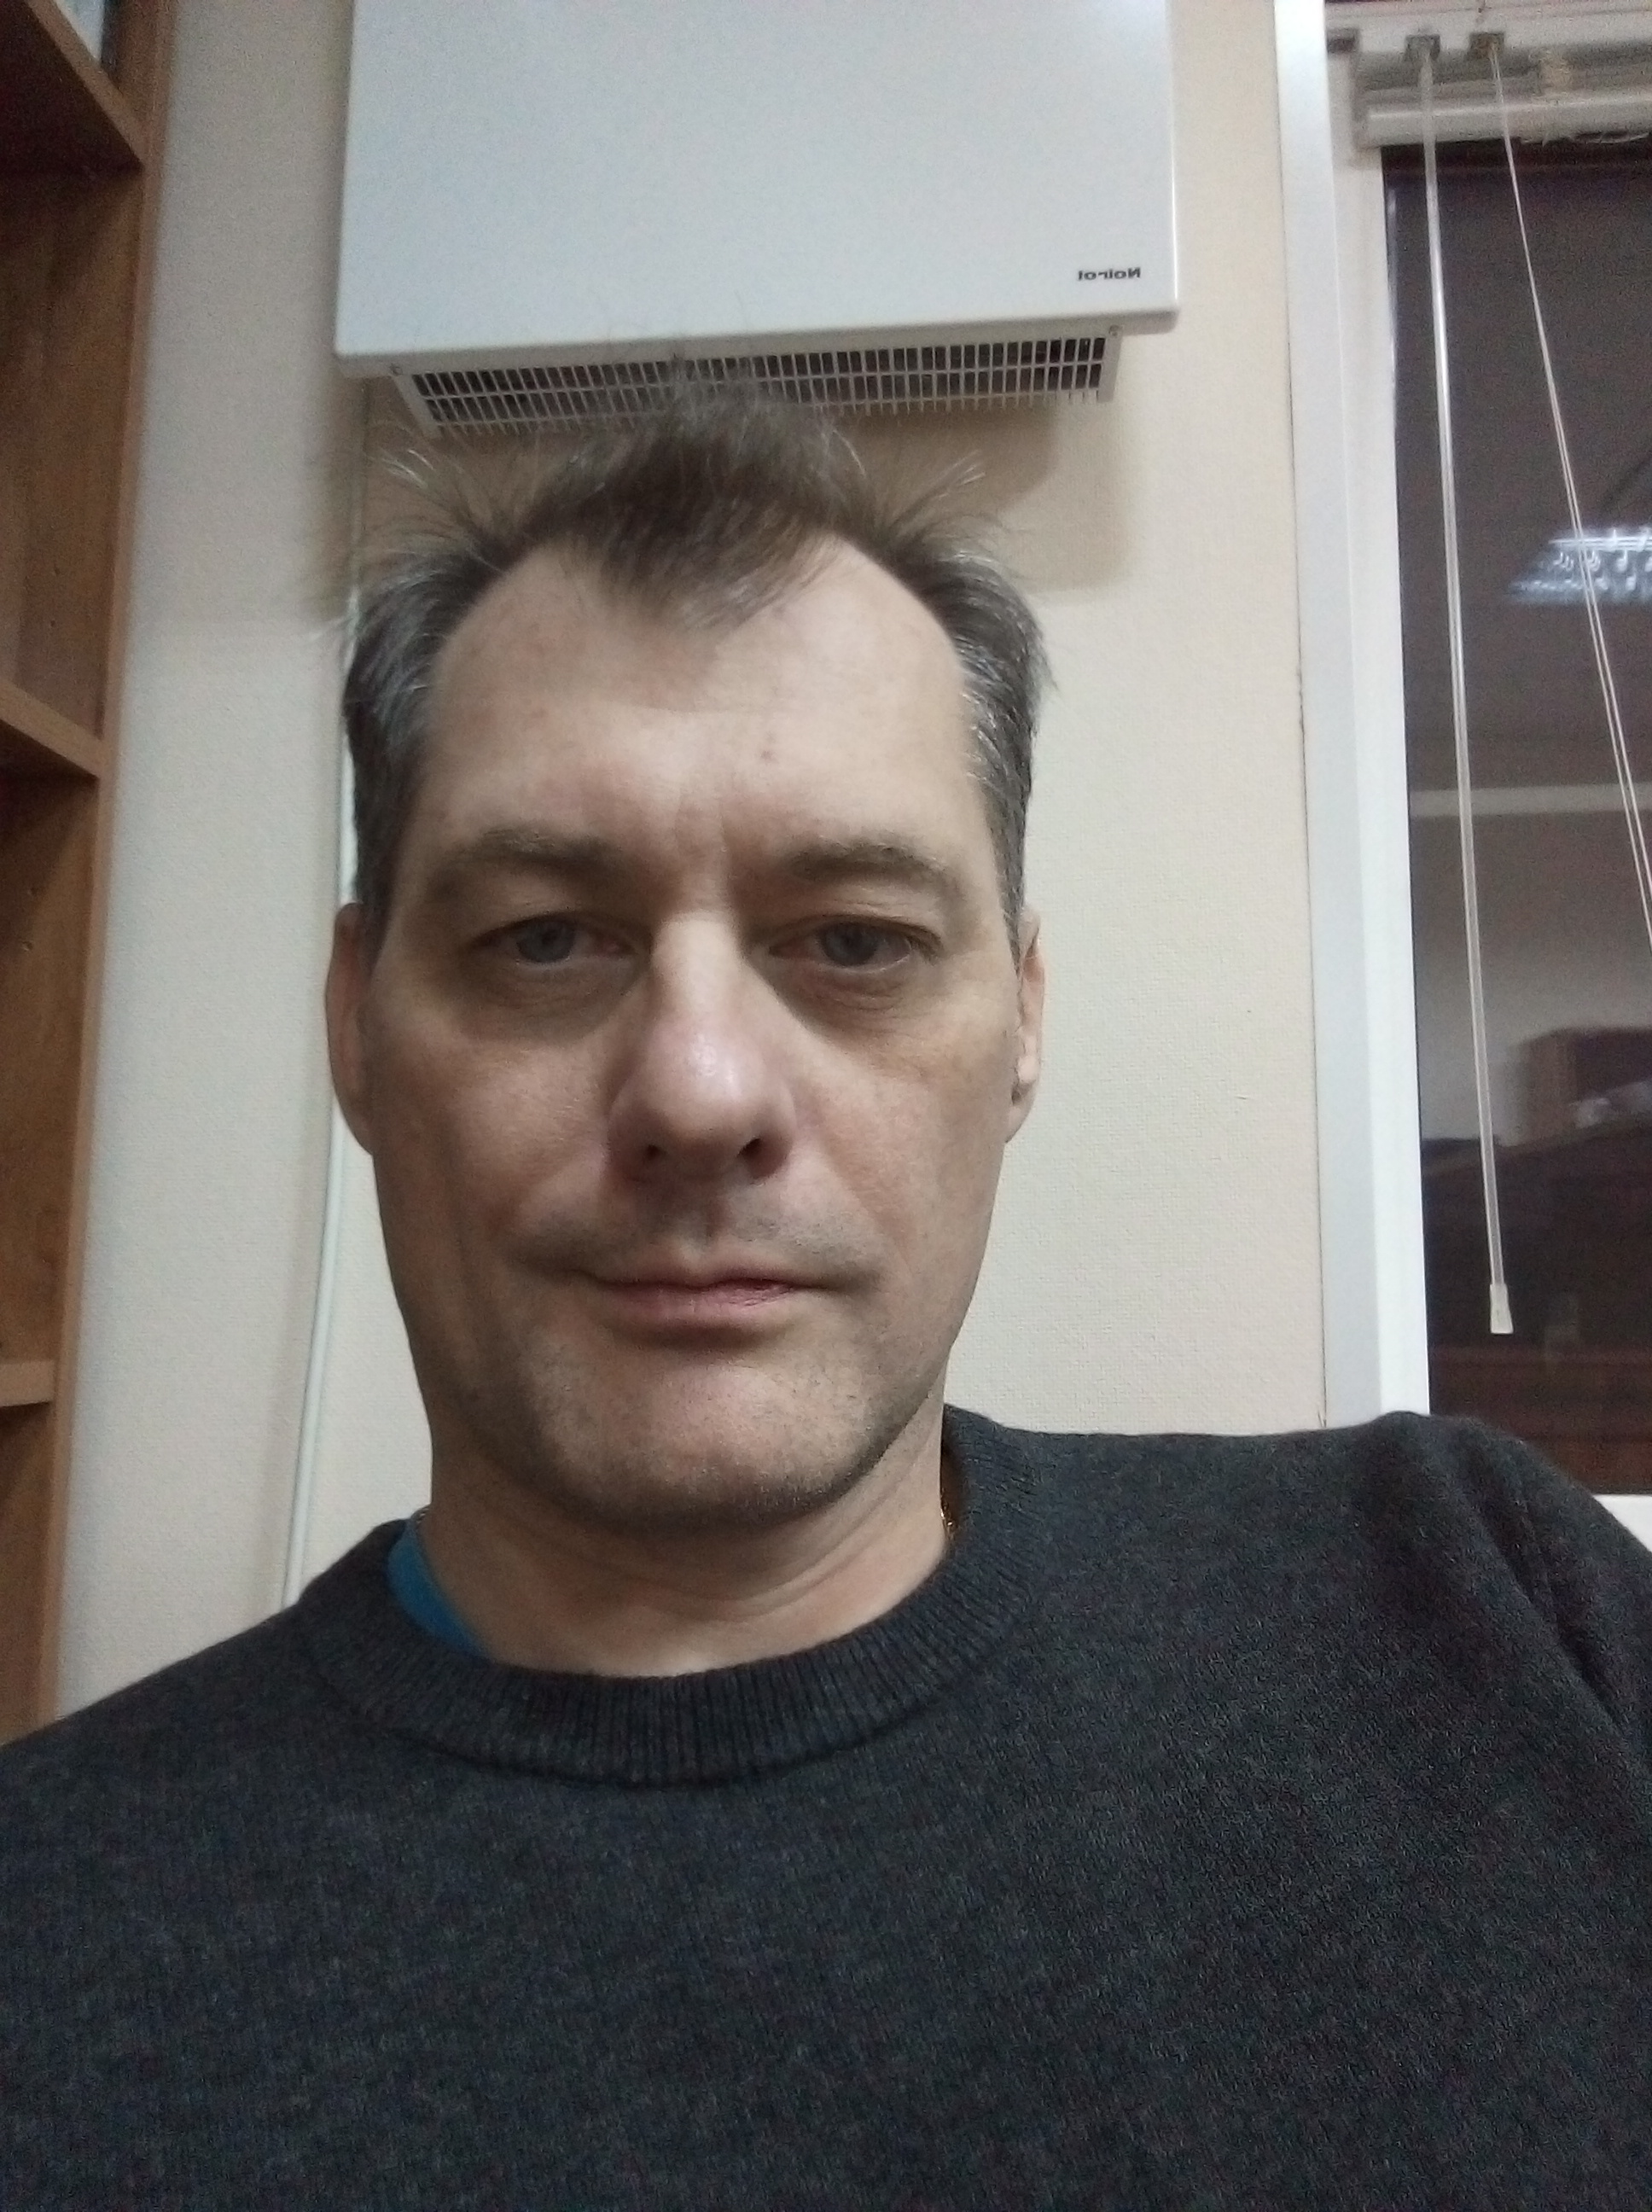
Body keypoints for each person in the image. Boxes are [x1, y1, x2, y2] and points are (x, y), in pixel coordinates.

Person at [3, 396, 1649, 2209]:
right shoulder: (48, 1945)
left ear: (1021, 1023)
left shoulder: (1484, 1598)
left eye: (853, 940)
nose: (700, 1092)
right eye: (544, 937)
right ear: (356, 1024)